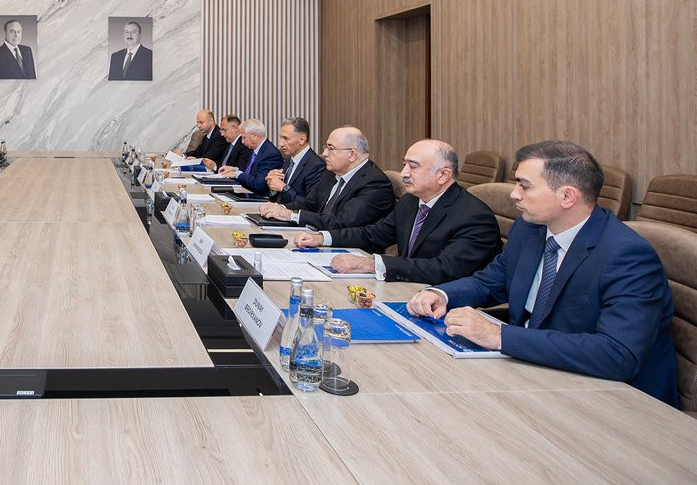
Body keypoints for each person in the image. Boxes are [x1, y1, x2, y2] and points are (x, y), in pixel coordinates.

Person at [406, 140, 678, 405]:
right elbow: (490, 281)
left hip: (611, 398)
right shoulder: (530, 229)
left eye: (524, 186)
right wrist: (441, 294)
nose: (514, 194)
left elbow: (617, 355)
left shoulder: (627, 255)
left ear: (567, 196)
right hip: (533, 371)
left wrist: (499, 336)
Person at [293, 140, 500, 283]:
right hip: (407, 288)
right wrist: (322, 238)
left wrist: (373, 263)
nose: (404, 173)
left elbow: (444, 269)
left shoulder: (474, 217)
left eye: (413, 167)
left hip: (446, 304)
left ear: (443, 175)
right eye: (404, 165)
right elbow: (374, 234)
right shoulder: (411, 201)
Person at [258, 126, 394, 230]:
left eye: (330, 148)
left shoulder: (375, 183)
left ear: (352, 154)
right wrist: (279, 208)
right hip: (317, 235)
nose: (324, 154)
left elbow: (342, 222)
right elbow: (309, 203)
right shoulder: (332, 173)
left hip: (352, 251)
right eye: (325, 147)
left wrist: (291, 216)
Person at [264, 117, 325, 204]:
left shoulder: (316, 165)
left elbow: (310, 204)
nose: (280, 144)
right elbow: (279, 199)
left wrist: (283, 188)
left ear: (302, 139)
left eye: (286, 138)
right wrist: (273, 187)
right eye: (281, 137)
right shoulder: (288, 160)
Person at [216, 118, 283, 195]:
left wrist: (237, 174)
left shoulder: (270, 154)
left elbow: (259, 184)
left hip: (259, 197)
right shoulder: (255, 149)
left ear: (254, 135)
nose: (242, 141)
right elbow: (250, 173)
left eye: (244, 137)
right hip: (246, 193)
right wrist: (234, 169)